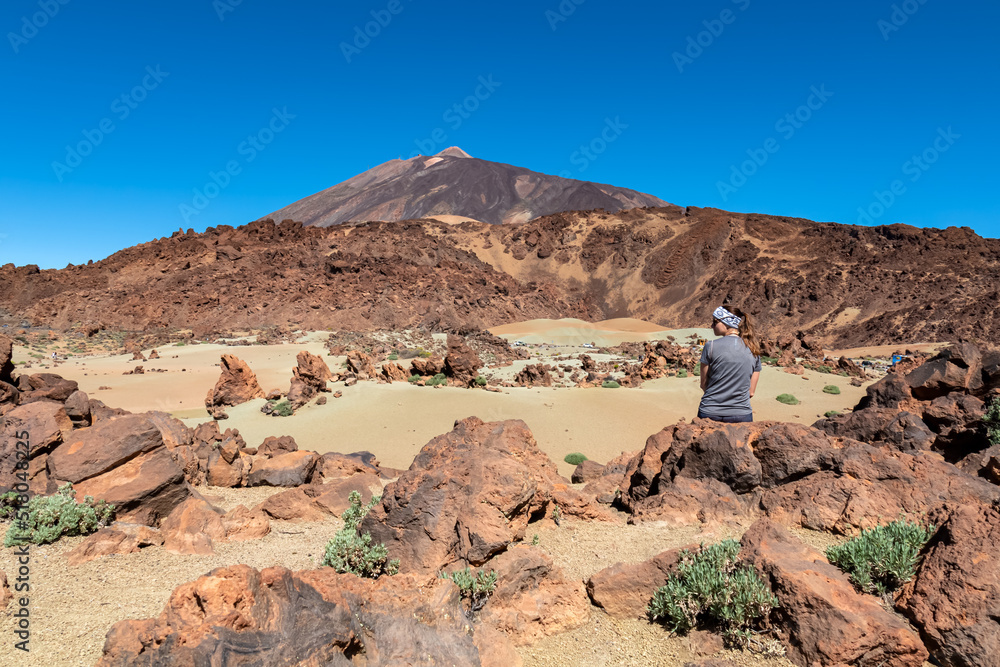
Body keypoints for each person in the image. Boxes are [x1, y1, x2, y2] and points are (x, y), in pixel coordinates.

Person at [698, 306, 761, 423]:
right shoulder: (754, 349)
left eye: (715, 322)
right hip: (741, 414)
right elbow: (751, 392)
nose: (711, 326)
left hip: (710, 412)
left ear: (726, 323)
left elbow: (703, 385)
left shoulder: (710, 346)